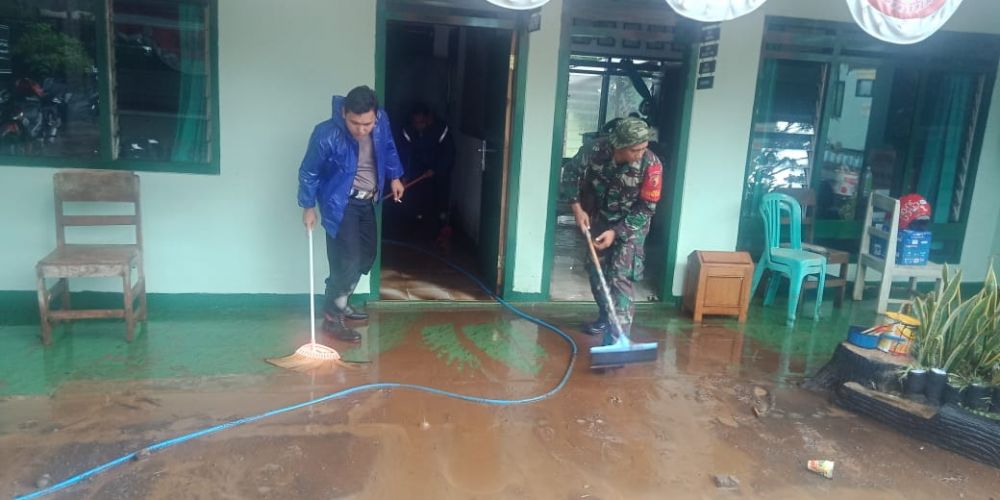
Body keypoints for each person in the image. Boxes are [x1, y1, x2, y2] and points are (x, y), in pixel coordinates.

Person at [298, 85, 405, 342]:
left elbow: (388, 147)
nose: (361, 129)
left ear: (376, 115)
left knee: (366, 256)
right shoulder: (326, 134)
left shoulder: (382, 122)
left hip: (367, 201)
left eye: (367, 124)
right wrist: (308, 206)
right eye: (355, 123)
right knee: (346, 260)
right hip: (339, 203)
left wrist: (395, 177)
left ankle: (342, 300)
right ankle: (332, 318)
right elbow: (309, 172)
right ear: (344, 112)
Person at [559, 117, 663, 344]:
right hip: (599, 220)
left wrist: (617, 232)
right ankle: (606, 317)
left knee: (619, 276)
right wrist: (576, 208)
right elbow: (570, 173)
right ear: (620, 146)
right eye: (636, 149)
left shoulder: (651, 165)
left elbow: (647, 208)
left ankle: (619, 339)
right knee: (597, 273)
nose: (641, 153)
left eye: (645, 147)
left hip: (631, 226)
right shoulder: (595, 149)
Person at [395, 103, 455, 245]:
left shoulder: (440, 129)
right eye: (415, 122)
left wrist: (436, 169)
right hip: (417, 171)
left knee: (438, 200)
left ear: (429, 119)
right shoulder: (407, 131)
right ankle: (415, 228)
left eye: (421, 122)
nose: (418, 126)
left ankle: (439, 231)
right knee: (416, 199)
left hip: (438, 172)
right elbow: (405, 155)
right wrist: (404, 176)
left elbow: (449, 154)